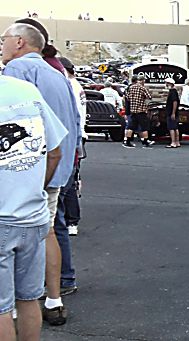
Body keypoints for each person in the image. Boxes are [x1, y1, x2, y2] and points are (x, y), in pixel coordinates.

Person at [2, 22, 81, 326]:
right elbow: (70, 124)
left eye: (4, 39)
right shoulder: (57, 72)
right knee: (49, 230)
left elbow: (13, 129)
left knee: (24, 243)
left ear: (19, 42)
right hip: (57, 168)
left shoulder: (18, 72)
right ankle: (54, 297)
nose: (2, 45)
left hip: (26, 176)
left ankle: (15, 307)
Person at [0, 75, 67, 341]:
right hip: (33, 214)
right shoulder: (25, 90)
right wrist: (35, 187)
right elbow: (55, 152)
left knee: (2, 308)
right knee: (28, 299)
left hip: (3, 215)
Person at [59, 57, 86, 236]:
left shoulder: (69, 86)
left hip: (71, 136)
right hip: (79, 134)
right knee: (72, 179)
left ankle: (71, 220)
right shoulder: (77, 86)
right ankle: (72, 219)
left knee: (67, 182)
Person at [123, 75, 153, 148]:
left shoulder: (131, 87)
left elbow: (128, 98)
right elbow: (149, 97)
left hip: (133, 110)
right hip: (141, 110)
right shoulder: (142, 88)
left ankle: (127, 141)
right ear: (142, 81)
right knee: (144, 127)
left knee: (131, 127)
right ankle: (145, 142)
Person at [164, 78, 181, 148]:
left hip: (171, 112)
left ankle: (173, 142)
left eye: (167, 83)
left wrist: (173, 113)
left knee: (171, 128)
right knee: (175, 127)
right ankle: (177, 142)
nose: (166, 85)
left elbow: (175, 102)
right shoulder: (174, 91)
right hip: (174, 112)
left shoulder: (173, 92)